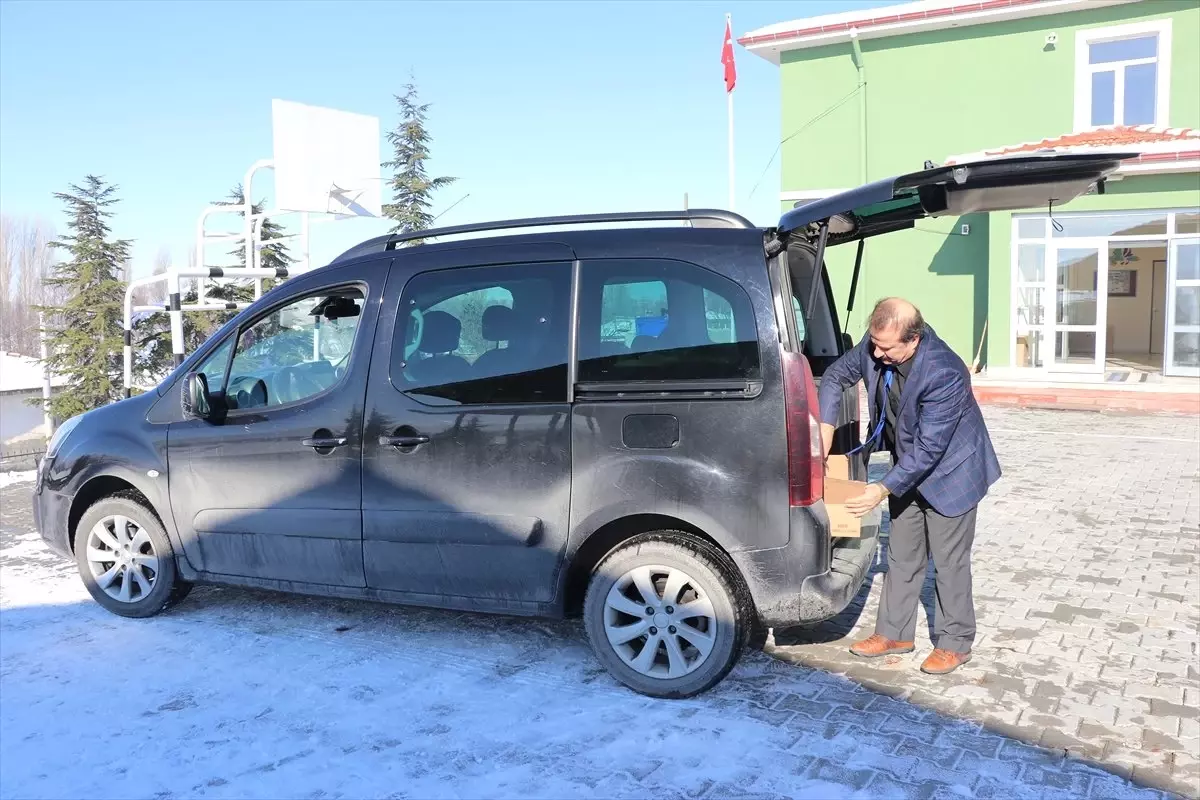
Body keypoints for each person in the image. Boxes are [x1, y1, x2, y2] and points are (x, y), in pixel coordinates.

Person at [817, 297, 1001, 675]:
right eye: (875, 344)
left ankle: (955, 642)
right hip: (908, 467)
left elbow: (931, 447)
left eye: (887, 348)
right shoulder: (877, 344)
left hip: (952, 474)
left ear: (913, 340)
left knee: (949, 563)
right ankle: (894, 634)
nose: (878, 353)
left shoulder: (943, 371)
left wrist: (880, 488)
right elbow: (835, 376)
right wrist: (824, 430)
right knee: (902, 555)